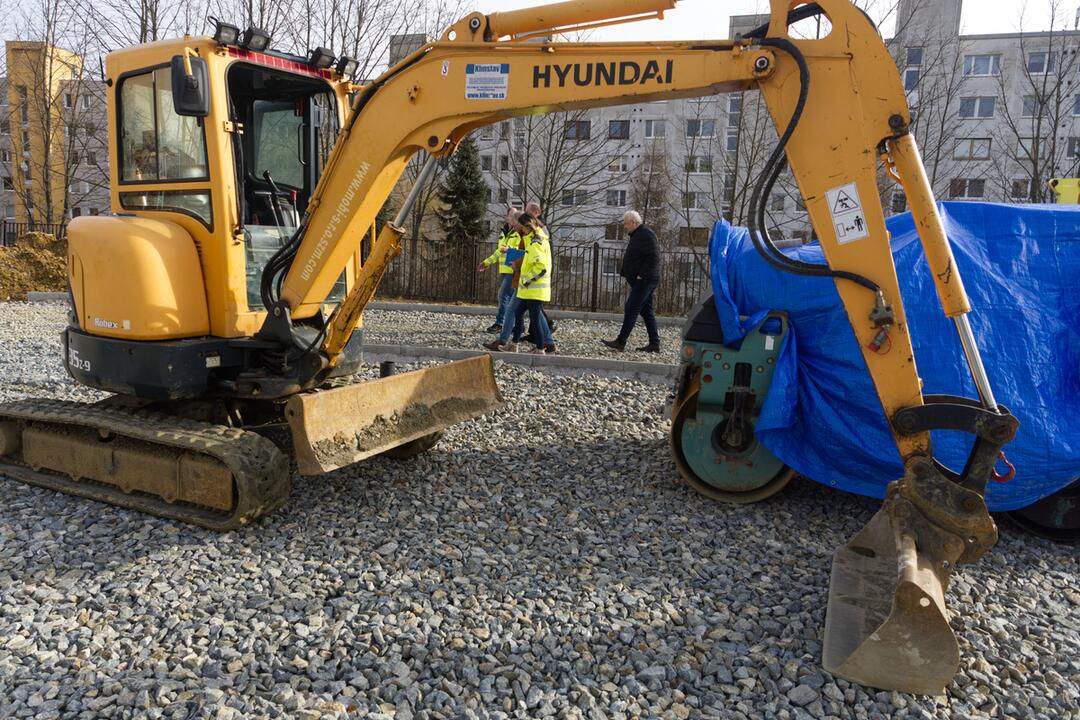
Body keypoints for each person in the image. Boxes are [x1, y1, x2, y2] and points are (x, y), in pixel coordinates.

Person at [484, 214, 555, 353]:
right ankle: (516, 344)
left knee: (532, 317)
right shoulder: (532, 239)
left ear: (525, 226)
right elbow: (528, 258)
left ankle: (540, 347)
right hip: (527, 287)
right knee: (519, 312)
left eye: (520, 226)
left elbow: (540, 267)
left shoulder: (535, 242)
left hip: (531, 287)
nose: (518, 229)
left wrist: (525, 279)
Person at [602, 210, 661, 352]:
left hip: (645, 280)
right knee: (646, 311)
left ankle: (621, 341)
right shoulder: (638, 235)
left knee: (631, 308)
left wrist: (642, 275)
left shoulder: (645, 234)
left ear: (634, 222)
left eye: (626, 224)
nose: (625, 227)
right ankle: (654, 343)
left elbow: (654, 256)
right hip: (643, 279)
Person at [477, 207, 520, 333]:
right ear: (507, 217)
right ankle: (517, 326)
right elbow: (499, 252)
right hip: (505, 270)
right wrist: (487, 262)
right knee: (514, 300)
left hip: (513, 270)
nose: (513, 219)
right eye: (512, 216)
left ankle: (500, 323)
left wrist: (509, 248)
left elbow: (521, 250)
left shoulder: (518, 232)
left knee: (503, 296)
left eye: (515, 216)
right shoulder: (505, 232)